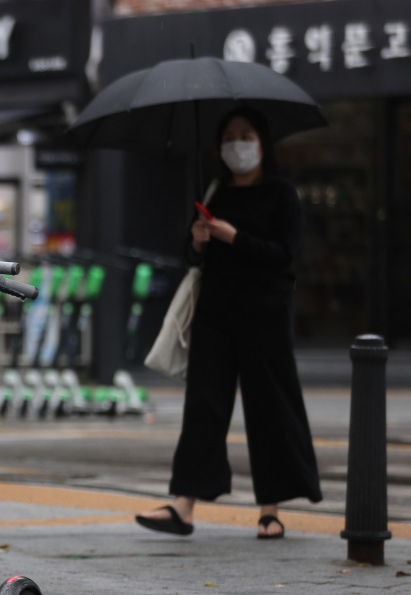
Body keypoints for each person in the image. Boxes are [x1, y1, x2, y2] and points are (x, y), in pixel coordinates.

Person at [137, 106, 322, 540]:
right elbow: (192, 257)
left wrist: (233, 236)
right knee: (204, 406)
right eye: (230, 136)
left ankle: (270, 511)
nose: (237, 144)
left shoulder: (281, 194)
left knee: (269, 410)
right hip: (215, 316)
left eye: (246, 135)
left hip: (266, 317)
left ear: (262, 143)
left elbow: (284, 255)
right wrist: (200, 241)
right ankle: (184, 506)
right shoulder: (215, 189)